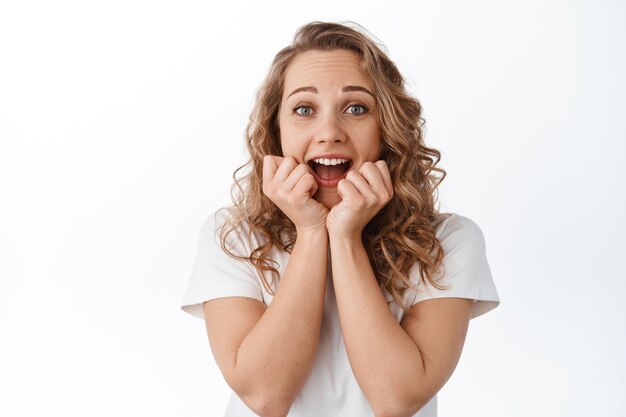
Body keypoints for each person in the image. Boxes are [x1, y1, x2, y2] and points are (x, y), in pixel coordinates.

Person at [181, 21, 500, 417]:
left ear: (387, 127)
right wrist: (313, 232)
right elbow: (266, 396)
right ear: (275, 130)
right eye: (304, 109)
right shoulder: (230, 236)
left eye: (356, 108)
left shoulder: (450, 240)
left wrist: (346, 238)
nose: (329, 132)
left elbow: (397, 399)